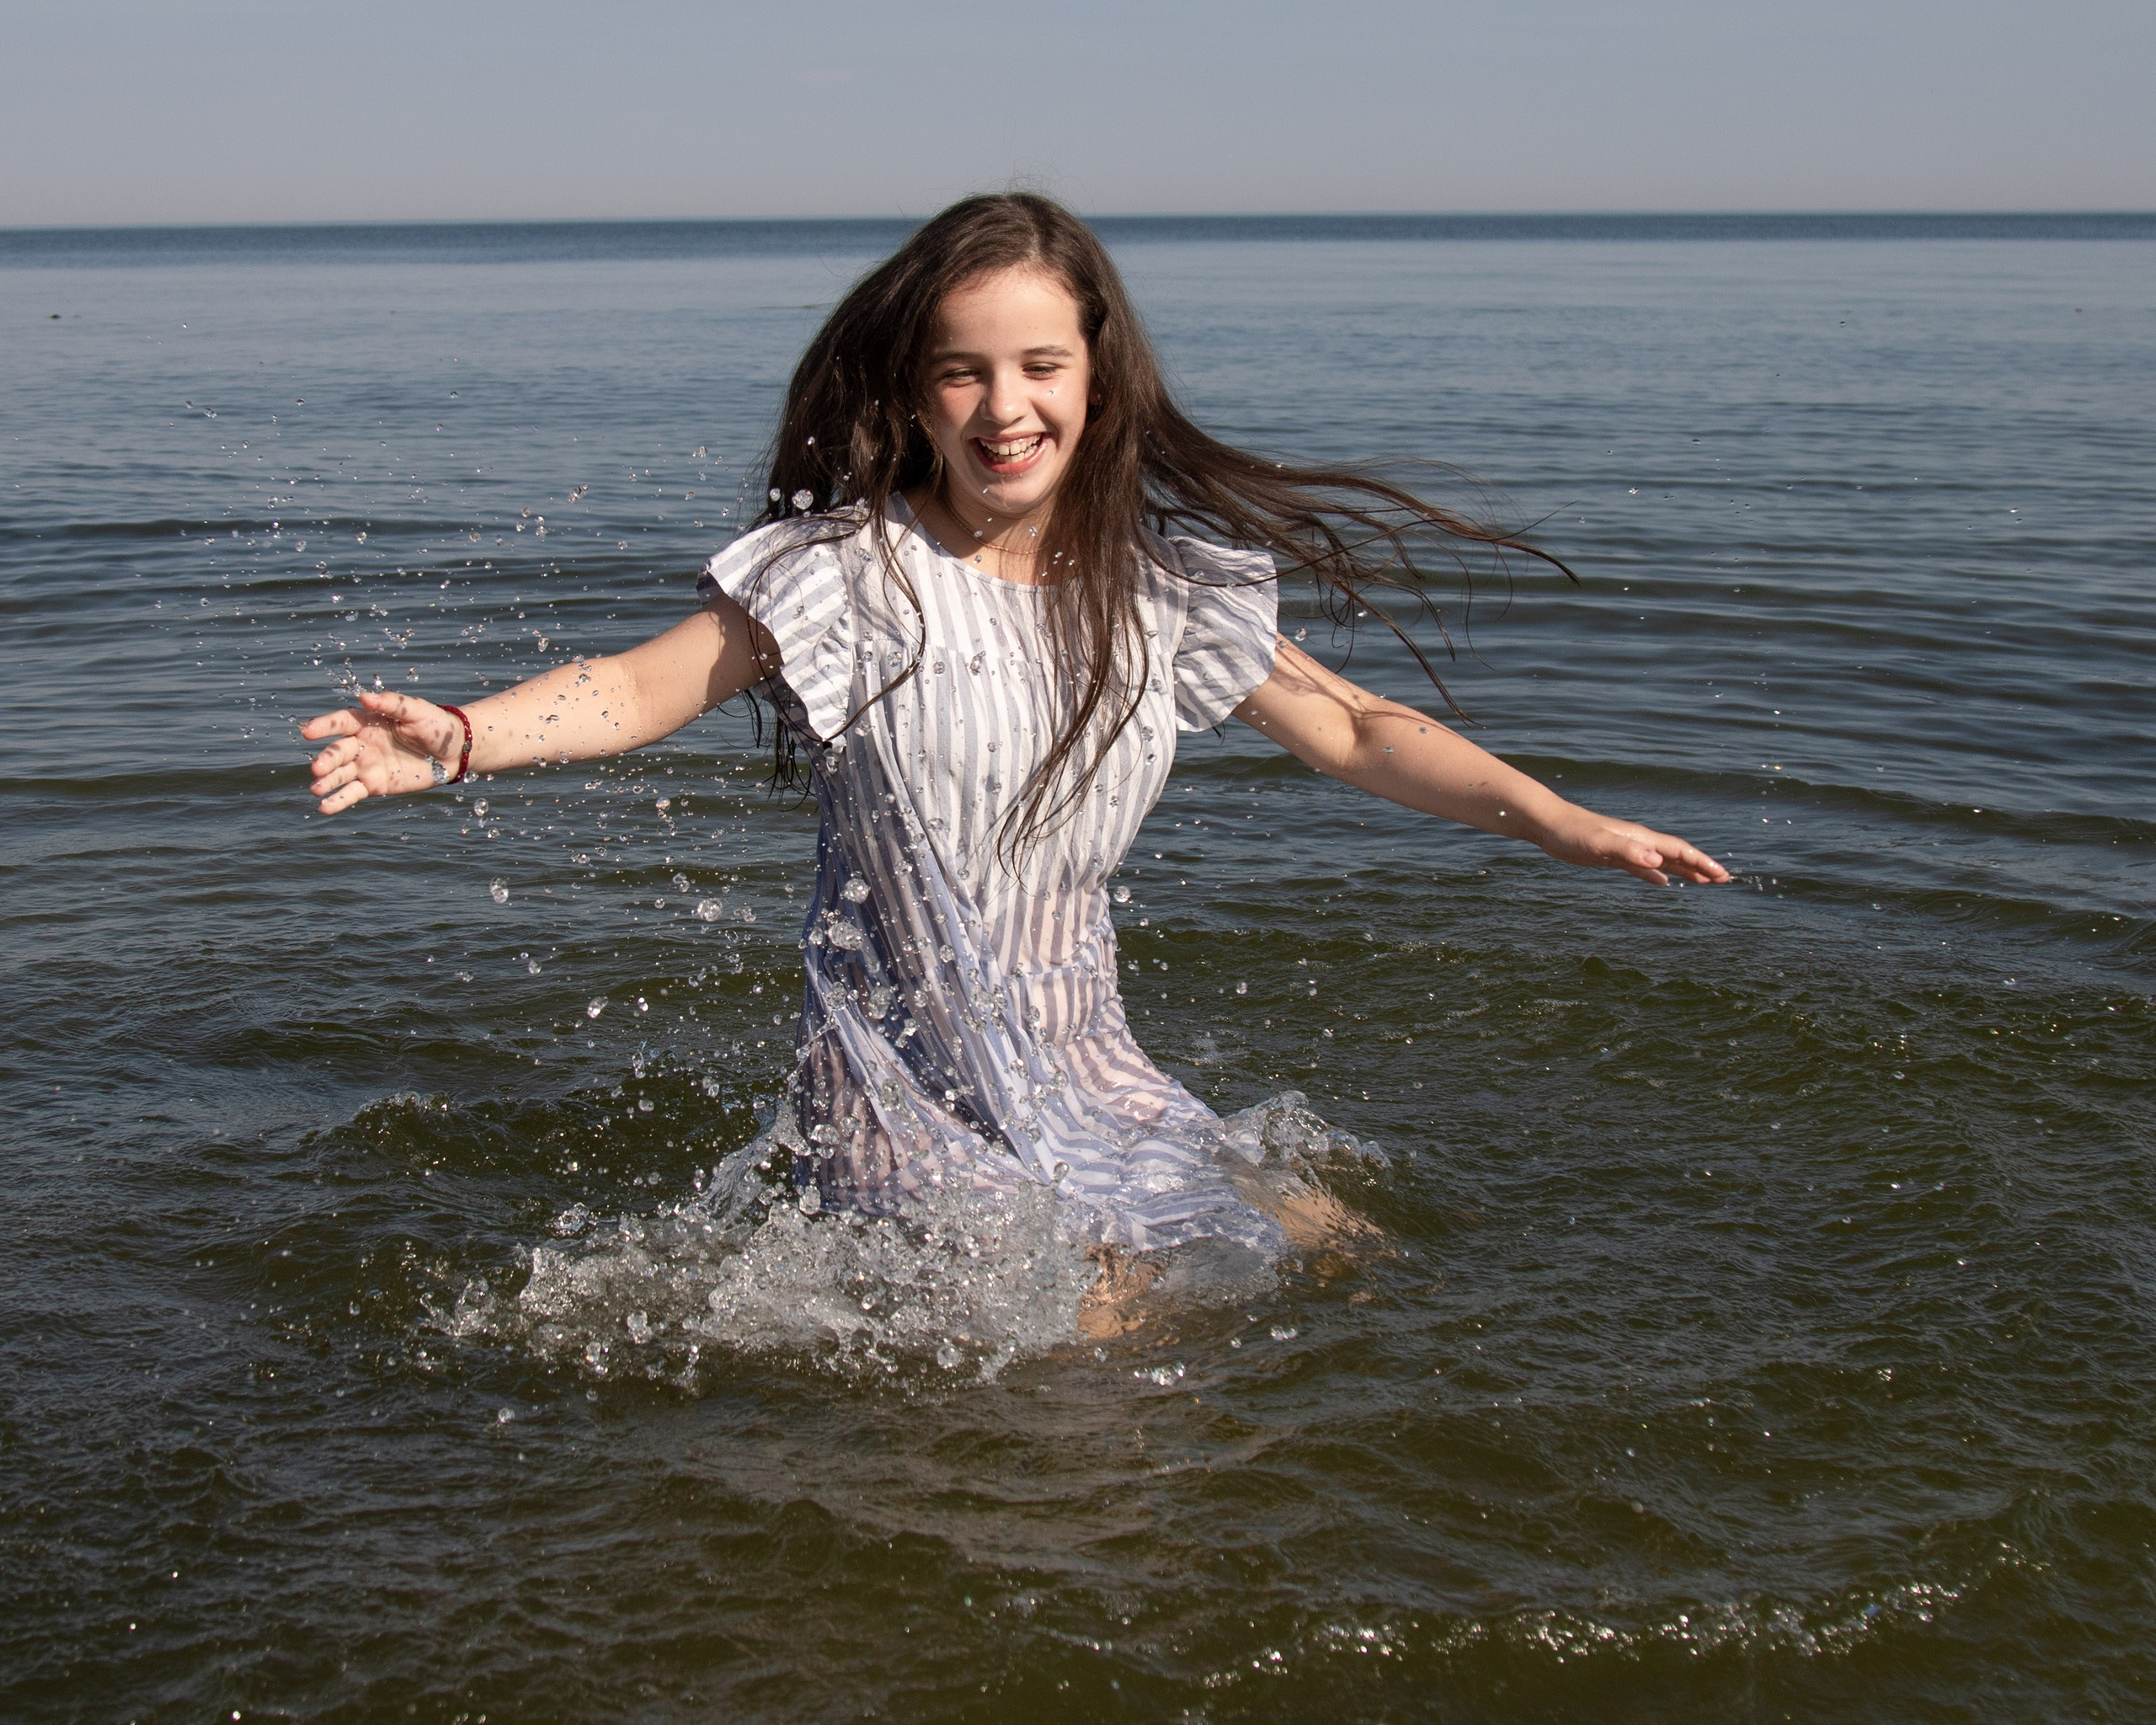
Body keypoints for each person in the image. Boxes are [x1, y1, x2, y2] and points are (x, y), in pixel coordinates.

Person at [302, 193, 1726, 1303]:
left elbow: (1355, 729)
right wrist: (468, 736)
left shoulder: (1159, 592)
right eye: (963, 372)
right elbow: (639, 687)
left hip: (1085, 1055)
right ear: (912, 391)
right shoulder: (844, 576)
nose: (1006, 408)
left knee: (1344, 1252)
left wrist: (1564, 823)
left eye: (1040, 365)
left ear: (1097, 378)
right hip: (900, 1067)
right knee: (1100, 1326)